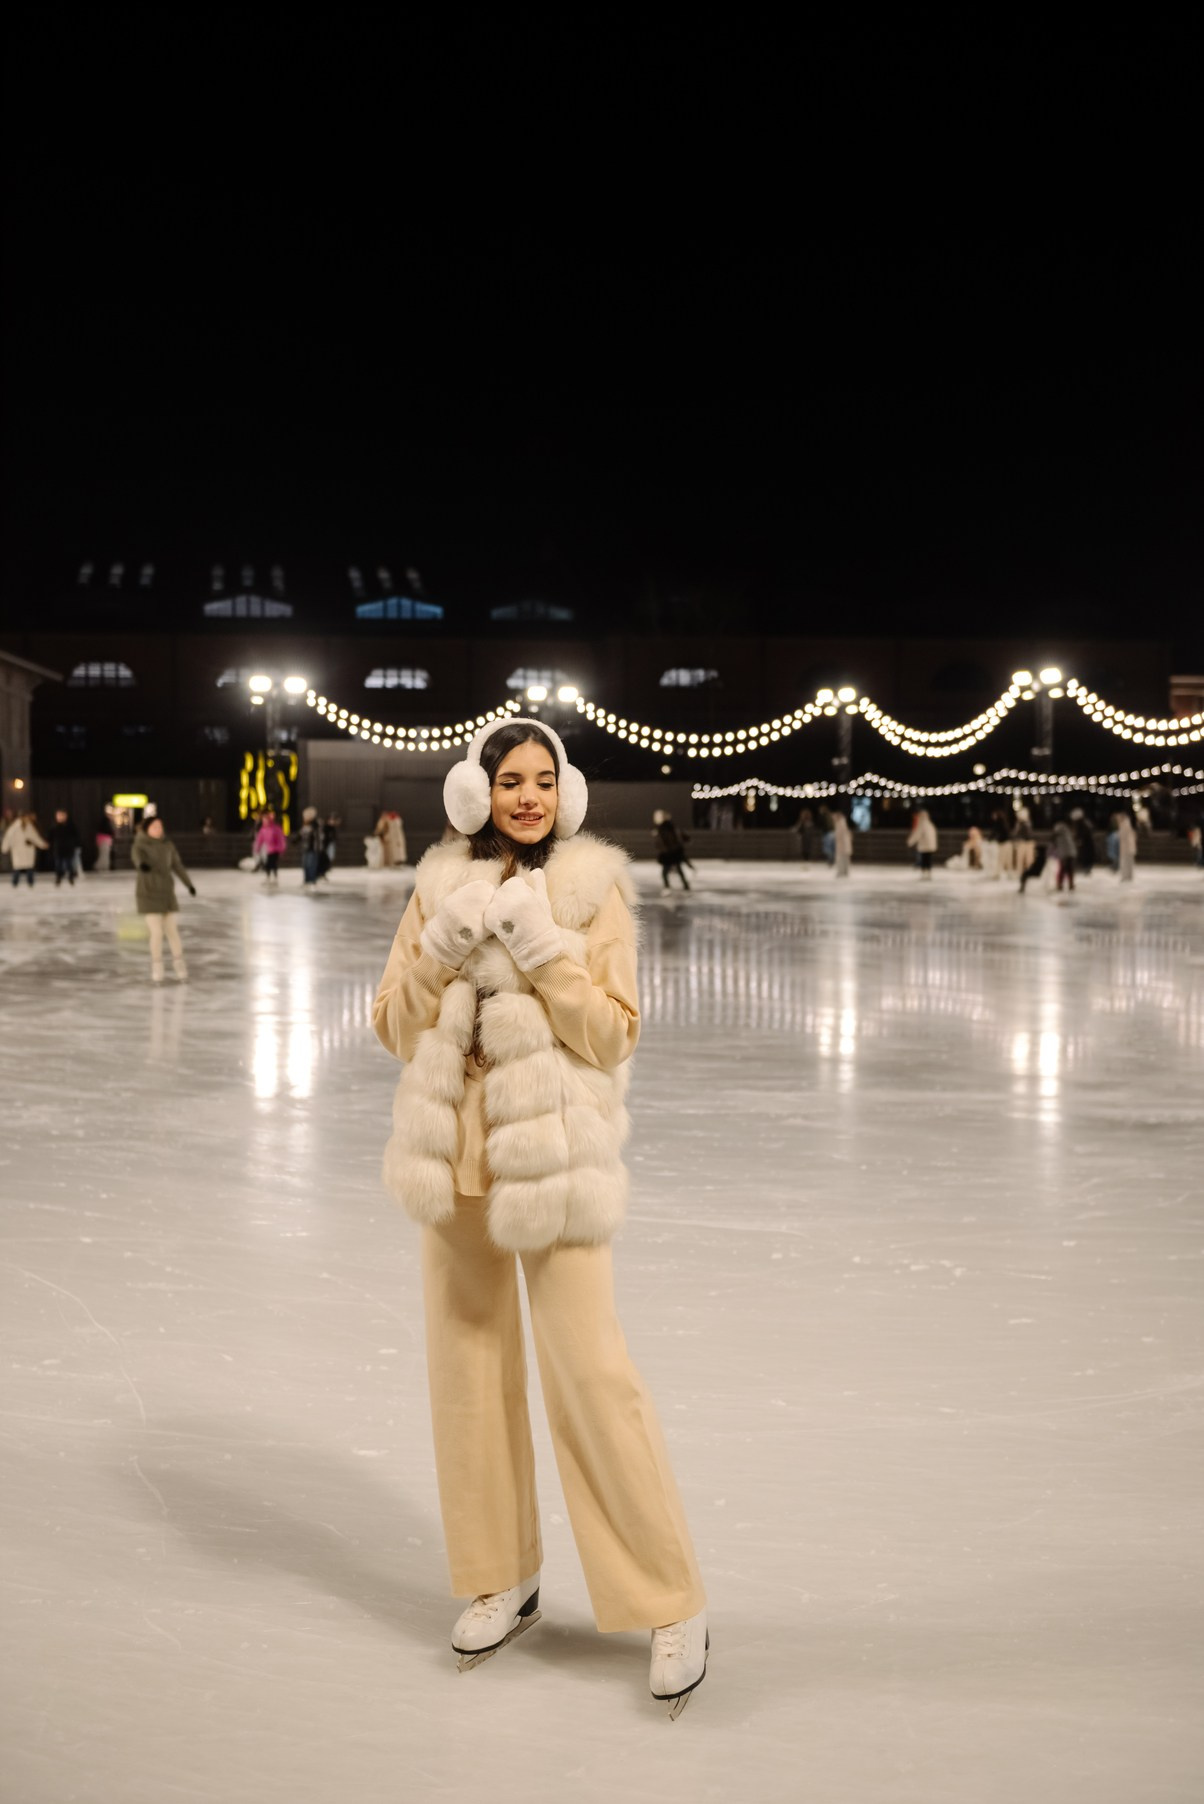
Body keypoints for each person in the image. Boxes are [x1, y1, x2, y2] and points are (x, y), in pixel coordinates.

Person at [372, 718, 709, 1717]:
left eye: (542, 779)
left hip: (556, 1166)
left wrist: (544, 949)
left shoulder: (590, 886)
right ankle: (499, 1574)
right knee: (466, 1377)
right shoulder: (435, 882)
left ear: (566, 791)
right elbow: (393, 1023)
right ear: (476, 791)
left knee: (593, 1378)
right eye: (508, 779)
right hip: (454, 1160)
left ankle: (668, 1599)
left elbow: (611, 1035)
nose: (526, 795)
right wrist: (439, 948)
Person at [131, 815, 195, 982]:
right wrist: (141, 865)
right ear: (147, 829)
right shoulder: (140, 845)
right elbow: (137, 858)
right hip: (148, 893)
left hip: (166, 893)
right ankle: (157, 966)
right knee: (157, 932)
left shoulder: (168, 845)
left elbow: (177, 865)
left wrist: (189, 884)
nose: (159, 830)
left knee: (172, 931)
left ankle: (179, 964)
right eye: (155, 827)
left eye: (160, 827)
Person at [2, 811, 48, 886]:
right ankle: (16, 883)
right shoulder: (15, 827)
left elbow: (35, 837)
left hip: (27, 850)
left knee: (28, 868)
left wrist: (42, 844)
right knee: (18, 868)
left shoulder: (29, 827)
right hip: (18, 850)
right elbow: (8, 838)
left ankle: (29, 883)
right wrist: (5, 848)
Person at [652, 810, 691, 891]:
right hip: (674, 851)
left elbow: (664, 841)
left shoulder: (663, 828)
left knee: (666, 871)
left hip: (669, 852)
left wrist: (665, 849)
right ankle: (684, 884)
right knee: (678, 869)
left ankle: (667, 885)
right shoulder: (671, 827)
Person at [47, 810, 83, 886]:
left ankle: (71, 878)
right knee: (58, 864)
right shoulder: (54, 826)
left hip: (69, 849)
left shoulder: (71, 826)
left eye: (61, 815)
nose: (60, 817)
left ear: (65, 816)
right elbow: (50, 837)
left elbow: (76, 836)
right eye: (58, 816)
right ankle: (58, 878)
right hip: (58, 849)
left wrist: (75, 845)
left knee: (69, 864)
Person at [253, 808, 287, 884]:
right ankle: (269, 877)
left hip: (276, 849)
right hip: (269, 849)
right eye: (263, 819)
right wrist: (257, 848)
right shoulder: (263, 829)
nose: (264, 821)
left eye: (266, 819)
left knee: (272, 864)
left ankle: (274, 877)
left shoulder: (275, 828)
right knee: (269, 864)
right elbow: (260, 839)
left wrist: (282, 848)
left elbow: (281, 838)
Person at [297, 807, 324, 891]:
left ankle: (312, 881)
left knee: (312, 865)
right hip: (306, 848)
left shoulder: (315, 824)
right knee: (305, 865)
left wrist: (319, 848)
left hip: (313, 848)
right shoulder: (305, 825)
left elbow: (318, 837)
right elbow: (301, 835)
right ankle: (307, 880)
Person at [907, 808, 938, 877]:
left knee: (924, 859)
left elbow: (917, 834)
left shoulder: (922, 824)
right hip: (930, 846)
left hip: (924, 846)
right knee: (928, 859)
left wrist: (910, 842)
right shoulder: (930, 824)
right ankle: (928, 872)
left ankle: (924, 872)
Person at [1051, 817, 1077, 892]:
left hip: (1064, 853)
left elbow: (1053, 841)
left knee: (1064, 869)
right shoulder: (1067, 830)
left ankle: (1061, 884)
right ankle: (1069, 884)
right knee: (1069, 869)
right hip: (1070, 852)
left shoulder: (1058, 831)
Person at [1115, 810, 1137, 882]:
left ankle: (1125, 876)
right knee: (1129, 863)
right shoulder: (1127, 824)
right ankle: (1128, 876)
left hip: (1126, 848)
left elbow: (1122, 836)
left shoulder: (1124, 825)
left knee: (1125, 863)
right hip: (1129, 847)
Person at [831, 807, 852, 878]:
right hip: (844, 844)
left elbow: (840, 835)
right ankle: (844, 871)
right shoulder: (842, 822)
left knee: (841, 858)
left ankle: (841, 872)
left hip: (842, 845)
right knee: (844, 858)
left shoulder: (840, 823)